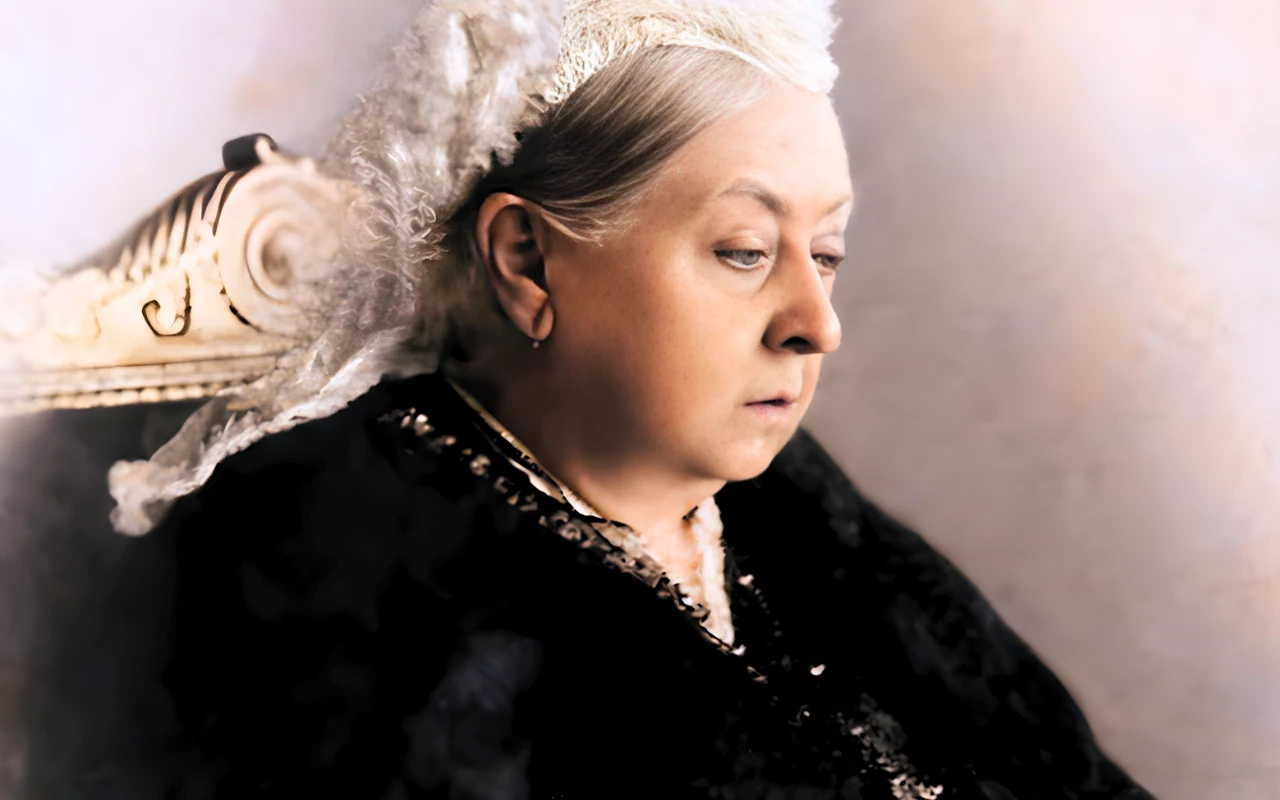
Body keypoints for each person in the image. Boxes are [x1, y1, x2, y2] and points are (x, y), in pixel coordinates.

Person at [17, 1, 1154, 798]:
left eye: (828, 254)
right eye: (745, 250)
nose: (816, 321)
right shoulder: (349, 583)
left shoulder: (788, 506)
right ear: (526, 259)